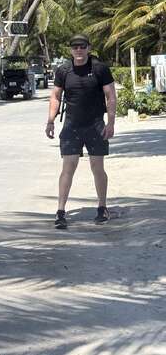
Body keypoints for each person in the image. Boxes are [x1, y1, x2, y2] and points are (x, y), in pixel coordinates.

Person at [45, 34, 117, 229]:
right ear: (70, 49)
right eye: (75, 46)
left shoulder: (100, 69)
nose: (78, 49)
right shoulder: (63, 70)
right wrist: (50, 121)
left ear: (88, 48)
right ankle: (61, 212)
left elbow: (110, 95)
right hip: (71, 125)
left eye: (82, 46)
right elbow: (56, 96)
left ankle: (102, 207)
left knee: (97, 167)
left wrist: (110, 123)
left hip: (95, 125)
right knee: (68, 167)